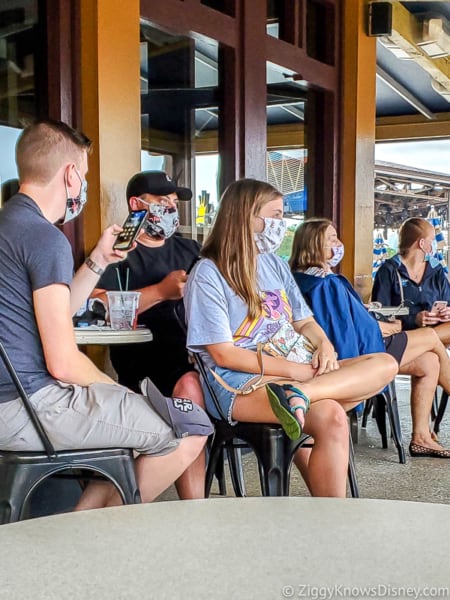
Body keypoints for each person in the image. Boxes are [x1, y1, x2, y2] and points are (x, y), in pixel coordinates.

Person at [0, 120, 212, 511]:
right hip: (29, 404)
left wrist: (97, 260)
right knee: (190, 426)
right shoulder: (44, 237)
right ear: (68, 174)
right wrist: (116, 391)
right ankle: (93, 531)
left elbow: (57, 312)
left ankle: (83, 521)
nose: (80, 186)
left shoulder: (11, 224)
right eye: (81, 175)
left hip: (12, 398)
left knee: (134, 423)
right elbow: (63, 364)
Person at [184, 178, 398, 498]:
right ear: (247, 217)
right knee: (332, 414)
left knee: (384, 362)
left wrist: (324, 345)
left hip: (294, 373)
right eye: (276, 215)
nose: (281, 225)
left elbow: (304, 321)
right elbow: (223, 355)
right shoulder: (208, 273)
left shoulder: (274, 263)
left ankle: (302, 395)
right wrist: (295, 371)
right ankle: (333, 521)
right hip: (242, 381)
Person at [289, 217, 450, 458]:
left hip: (349, 345)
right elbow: (348, 331)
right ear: (314, 245)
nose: (339, 244)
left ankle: (421, 438)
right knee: (429, 337)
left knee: (429, 362)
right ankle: (423, 435)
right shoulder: (327, 283)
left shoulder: (299, 278)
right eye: (332, 239)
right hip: (362, 350)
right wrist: (390, 329)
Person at [91, 170, 205, 499]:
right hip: (144, 358)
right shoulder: (115, 252)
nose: (171, 208)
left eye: (174, 202)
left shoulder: (190, 248)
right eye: (162, 201)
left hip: (197, 351)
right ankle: (194, 507)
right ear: (136, 205)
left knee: (197, 378)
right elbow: (95, 305)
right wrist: (160, 291)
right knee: (189, 385)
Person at [372, 217, 450, 347]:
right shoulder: (388, 271)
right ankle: (426, 341)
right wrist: (414, 319)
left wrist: (447, 312)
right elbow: (379, 314)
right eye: (431, 240)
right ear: (422, 243)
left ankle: (426, 341)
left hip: (434, 333)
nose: (434, 245)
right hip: (404, 336)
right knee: (432, 361)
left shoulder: (436, 271)